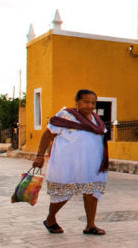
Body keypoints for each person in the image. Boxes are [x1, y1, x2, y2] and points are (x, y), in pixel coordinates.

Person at [32, 89, 109, 235]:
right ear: (77, 101)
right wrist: (39, 156)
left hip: (91, 165)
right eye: (86, 102)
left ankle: (90, 225)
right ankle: (50, 219)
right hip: (66, 164)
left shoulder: (96, 120)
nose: (90, 106)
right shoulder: (66, 116)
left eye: (93, 103)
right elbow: (47, 135)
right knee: (62, 194)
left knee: (92, 193)